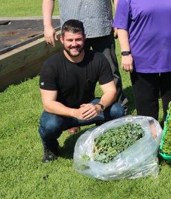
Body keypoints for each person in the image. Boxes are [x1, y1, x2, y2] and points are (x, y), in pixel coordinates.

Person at [38, 20, 125, 163]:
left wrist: (99, 106)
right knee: (49, 125)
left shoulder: (98, 58)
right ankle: (50, 147)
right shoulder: (51, 65)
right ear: (62, 40)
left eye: (78, 39)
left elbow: (110, 90)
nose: (74, 44)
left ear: (84, 38)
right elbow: (48, 103)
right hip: (62, 112)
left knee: (117, 110)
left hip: (89, 107)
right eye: (70, 40)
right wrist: (74, 113)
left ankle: (102, 137)